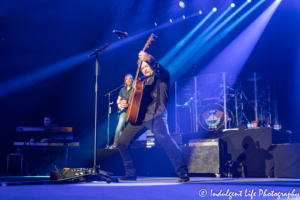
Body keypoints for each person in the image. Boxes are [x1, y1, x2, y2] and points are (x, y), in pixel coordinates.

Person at [117, 51, 189, 182]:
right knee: (122, 142)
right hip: (139, 118)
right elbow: (136, 102)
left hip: (157, 115)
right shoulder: (140, 84)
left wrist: (149, 59)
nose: (145, 70)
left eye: (147, 66)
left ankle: (182, 172)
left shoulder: (163, 76)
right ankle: (130, 173)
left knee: (165, 139)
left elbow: (159, 69)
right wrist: (127, 104)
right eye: (143, 68)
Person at [109, 74, 133, 148]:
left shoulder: (134, 89)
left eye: (130, 79)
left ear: (132, 80)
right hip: (124, 111)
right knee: (120, 125)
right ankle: (116, 143)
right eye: (127, 79)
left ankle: (129, 143)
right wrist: (119, 104)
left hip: (132, 111)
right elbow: (118, 100)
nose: (128, 80)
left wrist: (128, 104)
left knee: (130, 127)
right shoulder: (122, 89)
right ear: (125, 81)